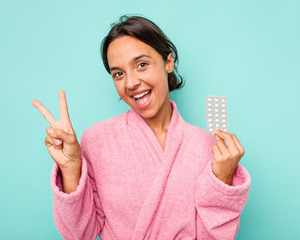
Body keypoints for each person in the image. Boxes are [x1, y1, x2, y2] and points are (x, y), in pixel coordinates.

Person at [32, 15, 251, 240]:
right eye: (118, 73)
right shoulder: (97, 140)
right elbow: (81, 233)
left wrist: (223, 180)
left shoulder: (207, 146)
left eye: (142, 65)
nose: (130, 83)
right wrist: (70, 169)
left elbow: (214, 237)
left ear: (168, 62)